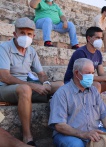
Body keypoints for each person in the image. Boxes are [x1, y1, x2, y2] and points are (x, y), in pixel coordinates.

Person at [0, 17, 63, 146]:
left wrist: (45, 83)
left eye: (29, 34)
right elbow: (5, 77)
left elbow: (41, 74)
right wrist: (33, 86)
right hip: (6, 87)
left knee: (60, 86)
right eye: (22, 33)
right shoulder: (4, 48)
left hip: (26, 88)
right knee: (25, 89)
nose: (26, 36)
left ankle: (61, 126)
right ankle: (27, 136)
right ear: (15, 34)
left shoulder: (31, 51)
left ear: (33, 36)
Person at [49, 58, 106, 147]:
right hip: (69, 134)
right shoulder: (62, 93)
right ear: (76, 73)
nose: (91, 76)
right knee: (76, 144)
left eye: (92, 73)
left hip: (92, 131)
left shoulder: (93, 91)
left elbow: (105, 117)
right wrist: (83, 134)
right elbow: (59, 125)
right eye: (88, 73)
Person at [64, 27, 106, 126]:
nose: (100, 40)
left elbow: (101, 73)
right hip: (74, 83)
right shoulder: (80, 52)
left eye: (101, 38)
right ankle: (94, 117)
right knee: (96, 85)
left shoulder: (98, 53)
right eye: (97, 37)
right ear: (89, 38)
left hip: (87, 81)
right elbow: (84, 76)